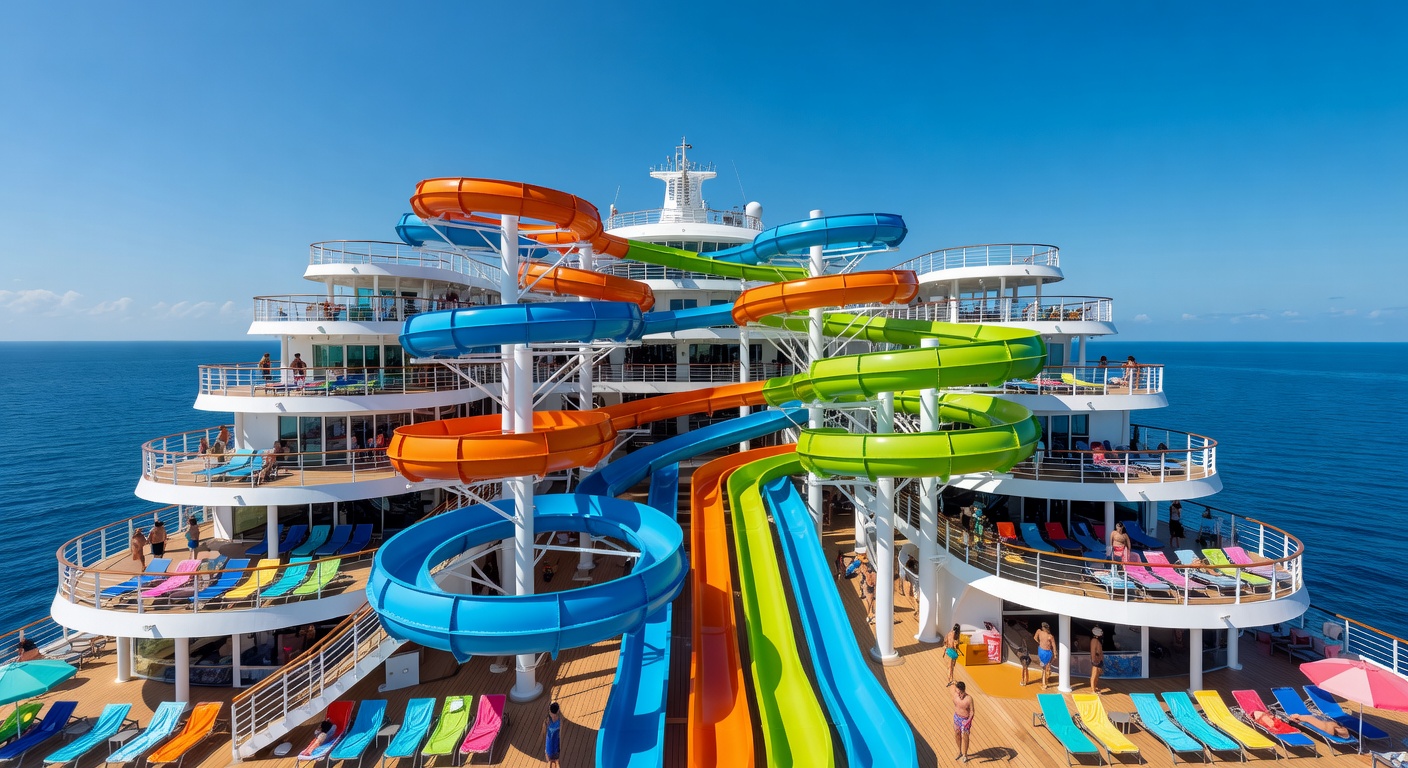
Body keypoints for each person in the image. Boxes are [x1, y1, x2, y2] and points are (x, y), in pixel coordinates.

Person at [952, 680, 975, 762]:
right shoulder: (955, 694)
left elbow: (972, 712)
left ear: (964, 691)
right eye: (958, 692)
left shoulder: (969, 699)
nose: (959, 695)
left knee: (965, 737)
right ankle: (959, 751)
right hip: (957, 717)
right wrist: (954, 682)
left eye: (960, 693)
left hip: (965, 719)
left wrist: (968, 721)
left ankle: (965, 754)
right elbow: (954, 683)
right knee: (957, 734)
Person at [1286, 712, 1351, 738]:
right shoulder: (1334, 727)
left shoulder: (1330, 727)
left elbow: (1330, 732)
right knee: (1308, 718)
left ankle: (1298, 717)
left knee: (1308, 718)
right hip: (1335, 729)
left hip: (1330, 729)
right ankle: (1298, 717)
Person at [1034, 621, 1057, 690]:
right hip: (1043, 651)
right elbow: (1035, 638)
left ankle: (1046, 676)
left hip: (1046, 651)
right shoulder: (1042, 633)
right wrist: (1040, 643)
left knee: (1047, 666)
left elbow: (1054, 645)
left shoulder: (1049, 636)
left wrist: (1055, 653)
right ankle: (1044, 683)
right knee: (1044, 668)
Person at [544, 701, 562, 768]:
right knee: (557, 762)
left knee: (549, 762)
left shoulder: (548, 720)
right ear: (558, 711)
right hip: (556, 744)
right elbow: (560, 734)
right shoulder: (559, 721)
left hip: (549, 744)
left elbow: (544, 730)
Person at [1089, 627, 1105, 693]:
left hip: (1098, 659)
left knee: (1097, 675)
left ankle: (1095, 687)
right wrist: (1094, 659)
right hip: (1096, 660)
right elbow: (1093, 651)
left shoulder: (1098, 641)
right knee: (1094, 675)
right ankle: (1093, 690)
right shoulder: (1094, 640)